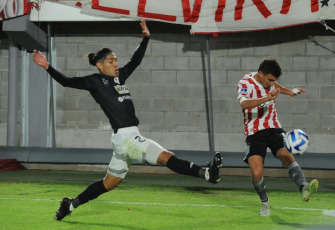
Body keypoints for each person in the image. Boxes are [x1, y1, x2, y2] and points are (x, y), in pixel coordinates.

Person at [33, 19, 222, 221]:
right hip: (126, 139)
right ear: (99, 64)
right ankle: (206, 174)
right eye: (111, 61)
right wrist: (47, 66)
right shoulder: (95, 81)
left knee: (109, 183)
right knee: (166, 156)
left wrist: (146, 38)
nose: (116, 64)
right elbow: (67, 81)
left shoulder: (119, 76)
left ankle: (70, 204)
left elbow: (135, 60)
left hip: (128, 137)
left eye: (116, 60)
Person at [237, 57, 319, 216]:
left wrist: (290, 92)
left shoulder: (269, 81)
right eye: (269, 80)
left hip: (273, 126)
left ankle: (304, 187)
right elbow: (243, 103)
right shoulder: (245, 83)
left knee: (285, 154)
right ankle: (264, 201)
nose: (271, 83)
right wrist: (267, 98)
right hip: (254, 131)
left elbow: (275, 85)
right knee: (256, 172)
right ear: (260, 74)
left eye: (273, 80)